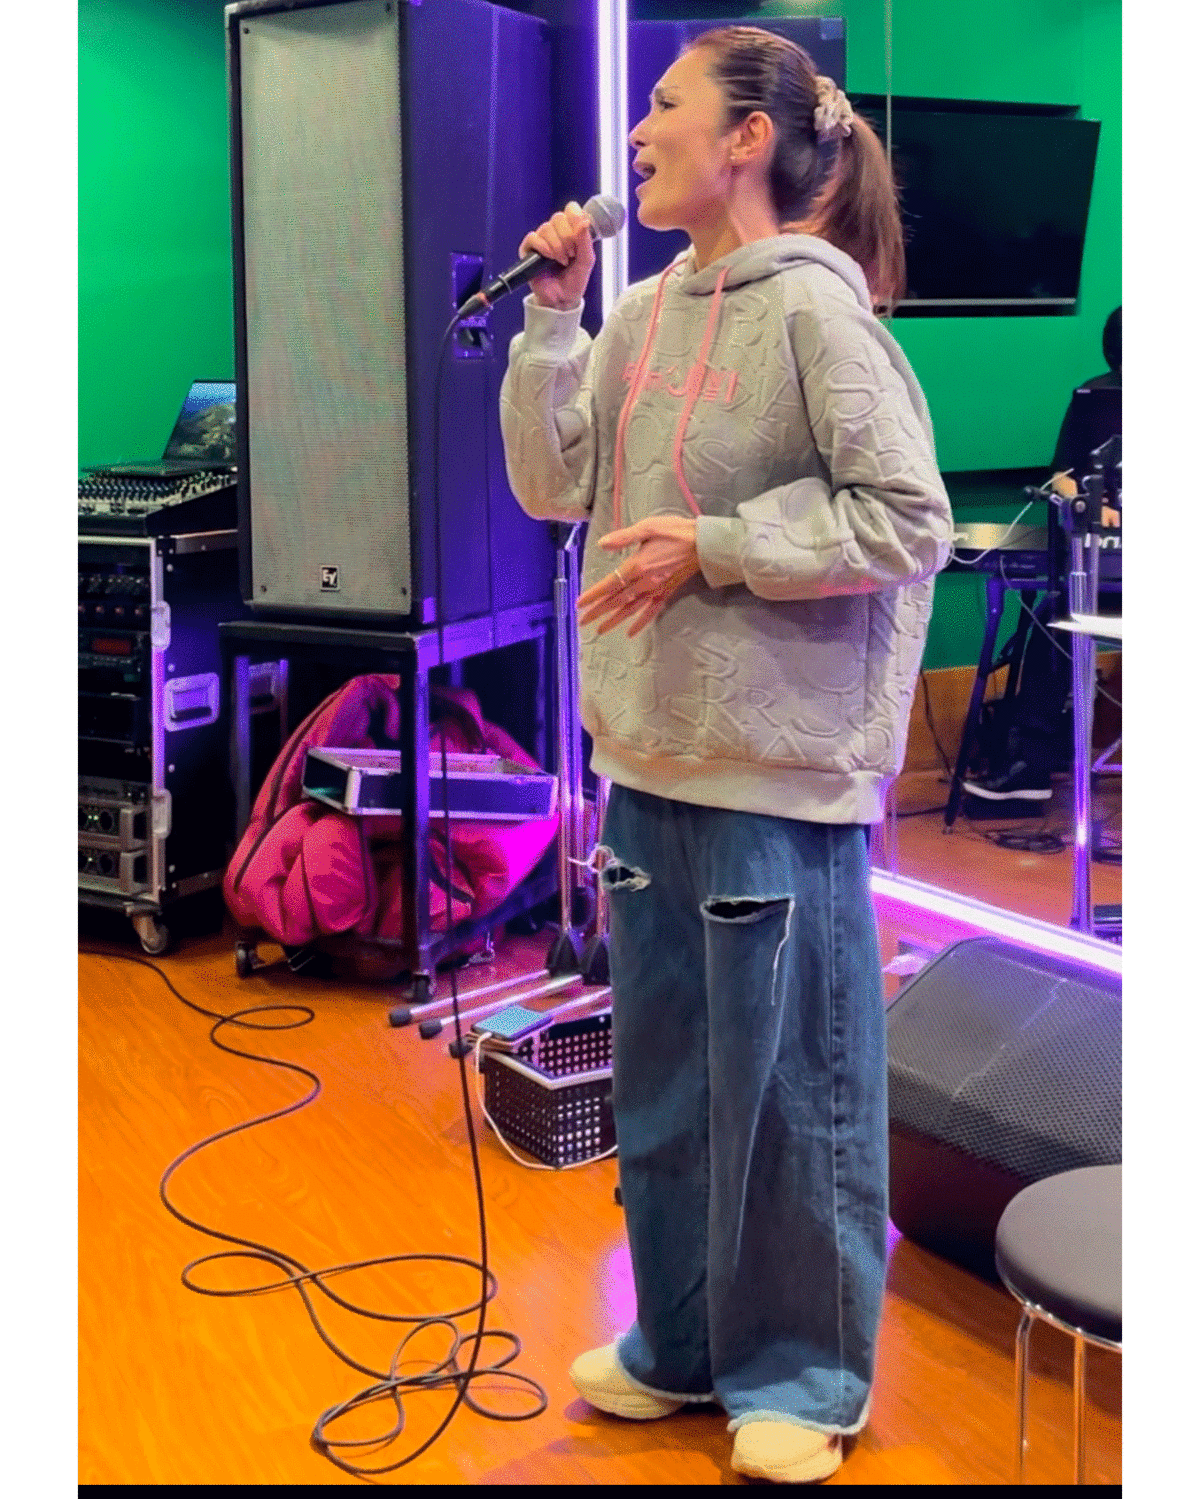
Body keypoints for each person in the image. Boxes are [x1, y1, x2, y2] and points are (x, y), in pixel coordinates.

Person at [499, 26, 952, 1484]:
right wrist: (552, 325)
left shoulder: (817, 309)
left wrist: (719, 545)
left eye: (665, 103)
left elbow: (909, 520)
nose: (638, 131)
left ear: (748, 137)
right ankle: (680, 1341)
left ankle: (807, 1374)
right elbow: (553, 483)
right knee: (669, 1083)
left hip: (775, 773)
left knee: (795, 1087)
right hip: (650, 759)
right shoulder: (640, 311)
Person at [962, 306, 1121, 803]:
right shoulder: (1093, 398)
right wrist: (1085, 503)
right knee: (1054, 620)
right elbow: (1062, 475)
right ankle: (1030, 766)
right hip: (1105, 566)